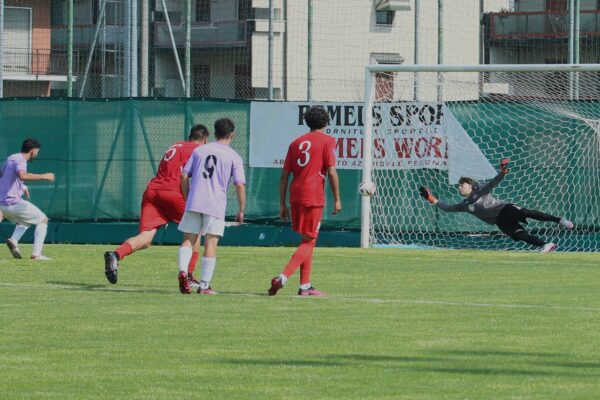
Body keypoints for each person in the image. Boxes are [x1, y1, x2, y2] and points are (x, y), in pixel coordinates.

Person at [104, 125, 210, 284]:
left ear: (191, 136)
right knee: (196, 231)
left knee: (146, 238)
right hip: (172, 192)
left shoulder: (176, 145)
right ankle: (188, 276)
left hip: (153, 191)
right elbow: (188, 176)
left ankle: (116, 254)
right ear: (205, 140)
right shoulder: (198, 150)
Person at [419, 158, 573, 252]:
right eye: (459, 186)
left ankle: (560, 220)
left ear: (471, 186)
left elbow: (495, 181)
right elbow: (448, 208)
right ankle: (547, 245)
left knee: (527, 212)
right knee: (519, 235)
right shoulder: (464, 204)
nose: (459, 187)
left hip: (505, 209)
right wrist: (431, 199)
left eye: (462, 185)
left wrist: (503, 170)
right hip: (499, 221)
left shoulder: (480, 190)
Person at [268, 106, 342, 297]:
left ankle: (305, 286)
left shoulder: (296, 143)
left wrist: (282, 204)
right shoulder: (328, 141)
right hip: (312, 196)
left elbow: (284, 176)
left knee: (307, 239)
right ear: (326, 123)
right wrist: (337, 199)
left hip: (295, 196)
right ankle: (282, 278)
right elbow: (332, 172)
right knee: (309, 241)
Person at [176, 118, 245, 294]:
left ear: (214, 134)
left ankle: (183, 272)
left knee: (188, 240)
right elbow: (239, 184)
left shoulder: (200, 151)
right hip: (215, 205)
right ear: (232, 135)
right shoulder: (233, 156)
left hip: (194, 201)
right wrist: (241, 208)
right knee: (210, 244)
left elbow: (184, 175)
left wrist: (187, 197)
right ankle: (205, 285)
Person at [0, 138, 55, 260]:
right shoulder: (20, 160)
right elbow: (22, 175)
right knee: (43, 220)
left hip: (3, 205)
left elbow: (4, 177)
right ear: (33, 151)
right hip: (12, 203)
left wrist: (22, 186)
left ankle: (14, 241)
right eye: (37, 152)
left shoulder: (11, 158)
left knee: (26, 221)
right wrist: (44, 176)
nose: (37, 154)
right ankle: (36, 254)